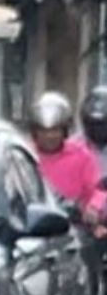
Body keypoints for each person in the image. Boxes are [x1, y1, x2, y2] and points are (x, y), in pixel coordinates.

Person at [27, 91, 107, 220]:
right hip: (30, 227)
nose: (49, 136)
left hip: (72, 227)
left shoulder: (82, 156)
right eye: (44, 130)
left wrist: (93, 208)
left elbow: (97, 190)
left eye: (55, 130)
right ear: (35, 132)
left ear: (64, 131)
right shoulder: (25, 155)